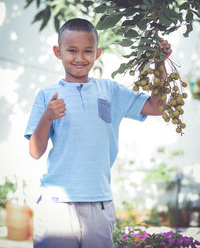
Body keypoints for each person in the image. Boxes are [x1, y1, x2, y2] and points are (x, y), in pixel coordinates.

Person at [24, 18, 172, 248]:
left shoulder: (111, 91)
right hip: (56, 204)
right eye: (72, 50)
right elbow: (35, 151)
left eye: (87, 51)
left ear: (98, 52)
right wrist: (47, 117)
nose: (80, 58)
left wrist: (159, 64)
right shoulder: (47, 95)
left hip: (99, 203)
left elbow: (157, 107)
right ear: (58, 52)